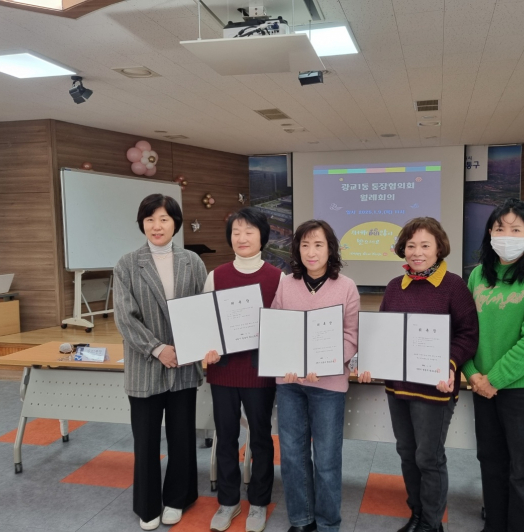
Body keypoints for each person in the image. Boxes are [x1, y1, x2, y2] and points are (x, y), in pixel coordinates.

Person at [359, 217, 479, 532]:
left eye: (425, 245)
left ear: (439, 248)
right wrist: (371, 360)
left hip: (434, 388)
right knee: (406, 452)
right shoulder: (395, 287)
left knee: (429, 457)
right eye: (411, 245)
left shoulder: (454, 285)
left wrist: (451, 364)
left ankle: (430, 523)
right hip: (399, 387)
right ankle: (417, 513)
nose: (417, 252)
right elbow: (383, 333)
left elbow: (468, 335)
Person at [462, 198, 524, 532]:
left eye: (515, 229)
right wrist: (472, 374)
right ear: (490, 232)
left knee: (522, 470)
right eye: (500, 228)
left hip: (521, 390)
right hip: (482, 387)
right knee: (490, 463)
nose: (507, 234)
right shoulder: (478, 276)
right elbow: (466, 331)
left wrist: (494, 379)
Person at [114, 194, 207, 531]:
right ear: (142, 223)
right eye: (151, 219)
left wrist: (189, 347)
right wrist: (157, 348)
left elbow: (202, 309)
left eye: (165, 219)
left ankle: (177, 499)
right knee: (146, 439)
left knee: (182, 437)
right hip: (146, 365)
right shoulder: (127, 263)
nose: (157, 225)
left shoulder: (192, 261)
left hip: (184, 365)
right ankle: (147, 505)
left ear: (175, 224)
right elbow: (125, 318)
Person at [271, 220, 360, 532]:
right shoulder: (286, 283)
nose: (311, 252)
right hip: (290, 383)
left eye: (318, 245)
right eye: (305, 245)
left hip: (329, 385)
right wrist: (283, 361)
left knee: (326, 459)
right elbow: (276, 330)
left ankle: (327, 522)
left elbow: (352, 336)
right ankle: (301, 519)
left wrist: (327, 362)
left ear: (330, 248)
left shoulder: (346, 286)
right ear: (297, 249)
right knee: (293, 456)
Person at [202, 207, 284, 532]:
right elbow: (205, 322)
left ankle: (259, 502)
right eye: (236, 232)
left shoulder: (277, 278)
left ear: (262, 236)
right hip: (222, 371)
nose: (242, 237)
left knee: (261, 438)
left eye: (249, 231)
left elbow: (281, 327)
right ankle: (228, 501)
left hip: (259, 372)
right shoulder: (216, 275)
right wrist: (204, 348)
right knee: (225, 437)